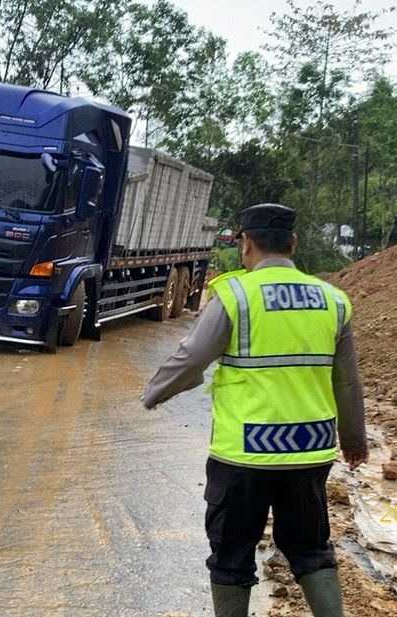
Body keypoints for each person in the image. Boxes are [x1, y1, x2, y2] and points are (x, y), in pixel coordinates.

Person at [141, 204, 368, 617]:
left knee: (231, 557)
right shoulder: (333, 301)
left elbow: (192, 358)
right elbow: (347, 382)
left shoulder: (235, 296)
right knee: (312, 550)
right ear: (293, 243)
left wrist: (154, 392)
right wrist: (354, 440)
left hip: (244, 455)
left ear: (246, 243)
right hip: (309, 454)